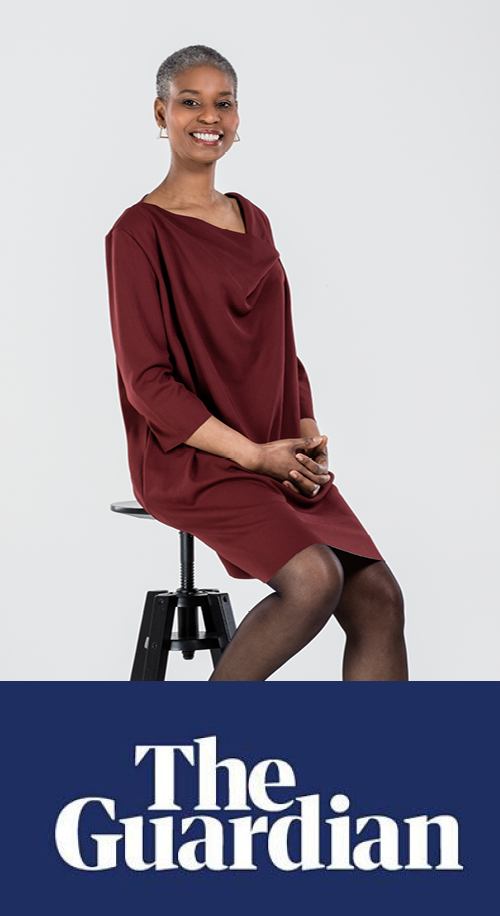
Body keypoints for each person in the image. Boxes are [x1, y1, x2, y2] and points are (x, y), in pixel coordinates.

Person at [105, 45, 408, 681]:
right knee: (313, 579)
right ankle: (198, 739)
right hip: (191, 456)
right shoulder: (137, 233)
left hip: (272, 446)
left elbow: (280, 347)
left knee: (379, 597)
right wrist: (252, 455)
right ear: (161, 113)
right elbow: (146, 383)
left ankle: (380, 755)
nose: (208, 116)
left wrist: (304, 433)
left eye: (224, 103)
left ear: (238, 117)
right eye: (190, 101)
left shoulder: (253, 219)